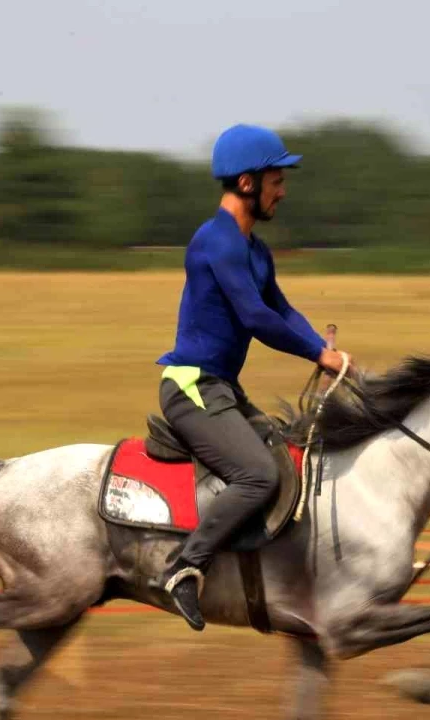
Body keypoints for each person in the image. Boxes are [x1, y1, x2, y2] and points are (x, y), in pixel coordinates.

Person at [155, 124, 353, 631]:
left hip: (222, 389)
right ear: (247, 183)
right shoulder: (216, 242)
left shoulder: (255, 250)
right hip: (192, 388)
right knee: (259, 475)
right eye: (276, 180)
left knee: (288, 456)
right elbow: (255, 318)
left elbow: (280, 308)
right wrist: (318, 355)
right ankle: (184, 568)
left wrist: (320, 349)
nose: (282, 191)